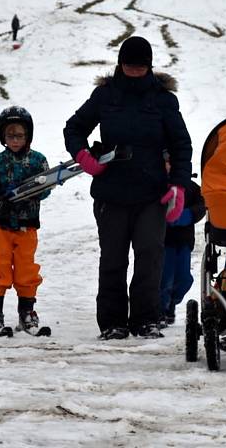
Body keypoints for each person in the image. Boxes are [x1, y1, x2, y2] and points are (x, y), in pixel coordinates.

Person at [64, 36, 192, 340]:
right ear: (120, 64)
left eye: (140, 67)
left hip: (152, 194)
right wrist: (83, 157)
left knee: (150, 255)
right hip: (111, 193)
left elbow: (181, 144)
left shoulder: (163, 100)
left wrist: (179, 186)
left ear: (149, 66)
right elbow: (74, 128)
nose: (134, 72)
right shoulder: (105, 96)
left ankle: (146, 319)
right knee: (113, 258)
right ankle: (112, 322)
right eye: (129, 66)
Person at [0, 106, 51, 335]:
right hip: (0, 225)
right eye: (10, 136)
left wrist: (34, 192)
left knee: (26, 269)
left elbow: (46, 188)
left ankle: (27, 312)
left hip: (27, 225)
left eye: (20, 135)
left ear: (28, 135)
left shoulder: (38, 160)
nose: (15, 140)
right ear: (3, 137)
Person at [159, 162, 204, 326]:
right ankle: (161, 311)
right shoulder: (160, 185)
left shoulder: (190, 187)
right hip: (165, 241)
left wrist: (189, 215)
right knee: (165, 278)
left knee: (184, 279)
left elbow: (201, 205)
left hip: (184, 240)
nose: (168, 166)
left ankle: (171, 302)